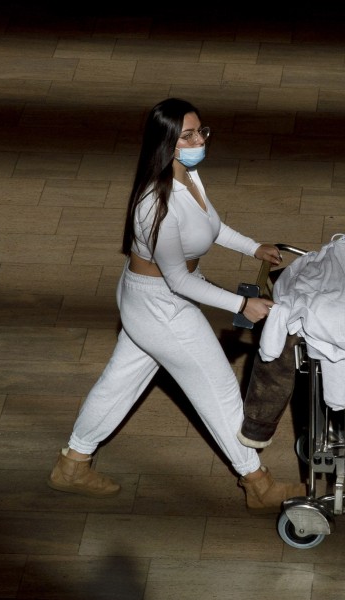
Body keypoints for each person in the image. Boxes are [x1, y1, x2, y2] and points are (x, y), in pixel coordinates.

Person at [47, 97, 305, 512]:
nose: (199, 139)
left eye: (201, 130)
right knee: (219, 389)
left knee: (121, 380)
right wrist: (244, 303)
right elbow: (179, 280)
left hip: (150, 298)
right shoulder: (157, 205)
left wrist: (253, 248)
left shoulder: (187, 175)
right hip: (161, 306)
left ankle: (73, 465)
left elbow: (212, 227)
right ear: (166, 143)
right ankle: (257, 483)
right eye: (188, 135)